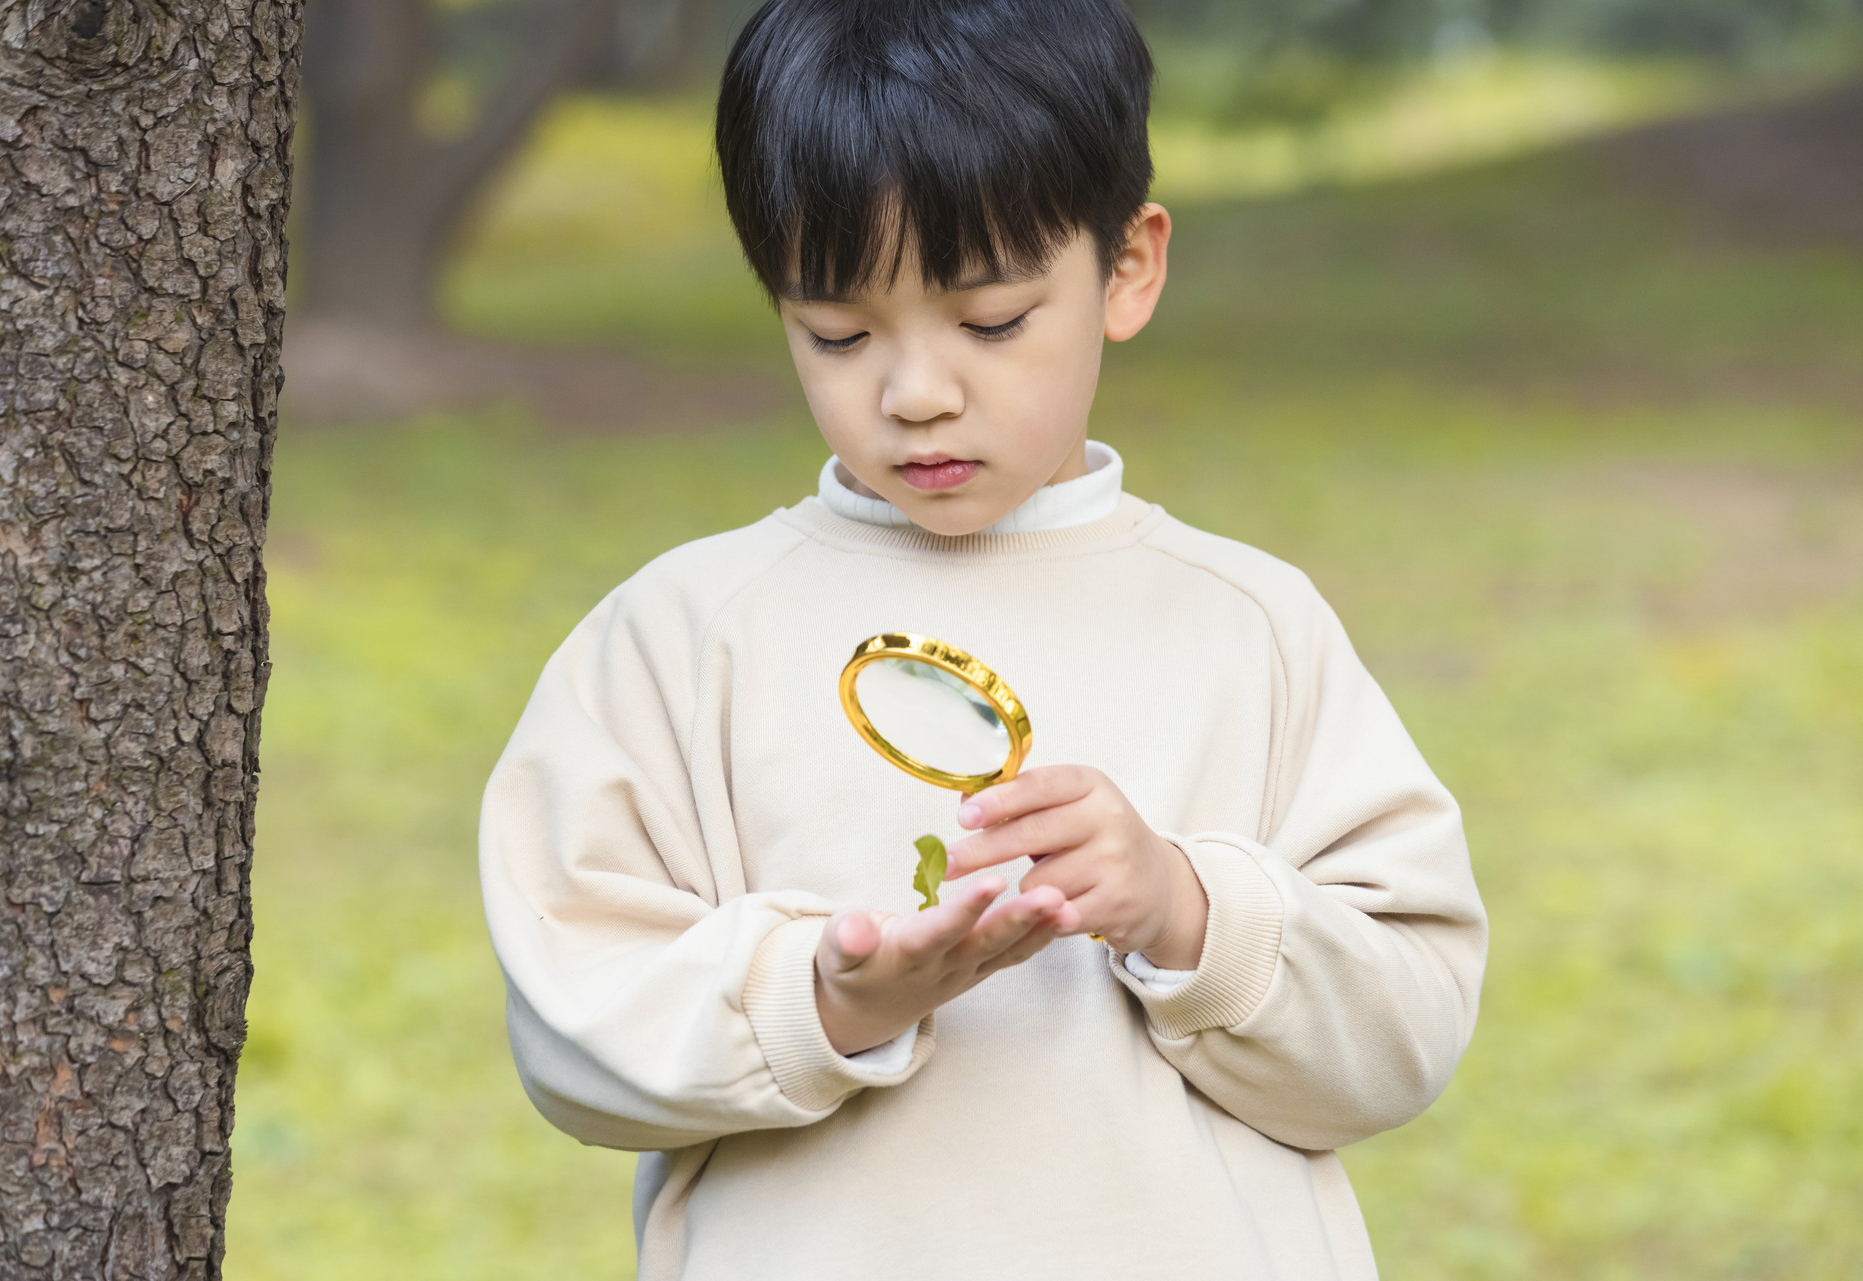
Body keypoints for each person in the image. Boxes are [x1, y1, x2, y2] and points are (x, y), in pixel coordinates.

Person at [477, 1, 1489, 1277]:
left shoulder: (1253, 629)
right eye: (838, 333)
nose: (915, 393)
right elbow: (577, 1031)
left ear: (1127, 269)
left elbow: (1403, 1034)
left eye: (992, 320)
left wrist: (1186, 911)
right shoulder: (681, 638)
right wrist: (829, 1000)